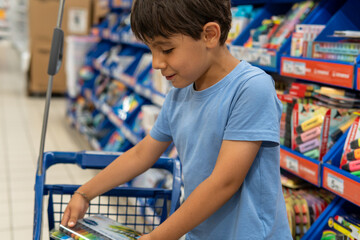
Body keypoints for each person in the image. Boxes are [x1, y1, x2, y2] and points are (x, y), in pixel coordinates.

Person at [61, 0, 292, 239]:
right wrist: (85, 193)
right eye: (151, 50)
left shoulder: (251, 88)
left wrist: (156, 237)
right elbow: (142, 154)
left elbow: (225, 182)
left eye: (167, 49)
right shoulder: (179, 94)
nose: (156, 63)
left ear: (210, 35)